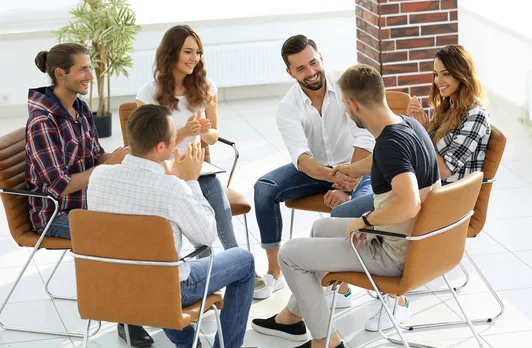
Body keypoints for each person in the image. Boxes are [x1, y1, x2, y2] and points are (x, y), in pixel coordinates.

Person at [251, 64, 440, 348]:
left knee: (290, 254)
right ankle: (295, 315)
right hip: (417, 243)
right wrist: (351, 169)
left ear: (352, 105)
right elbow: (383, 163)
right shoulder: (407, 125)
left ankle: (325, 343)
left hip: (394, 253)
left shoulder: (390, 146)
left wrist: (364, 222)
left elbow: (409, 203)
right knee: (320, 227)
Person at [329, 44, 491, 332]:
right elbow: (420, 156)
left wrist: (418, 132)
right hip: (423, 191)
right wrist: (421, 129)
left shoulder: (475, 116)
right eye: (435, 74)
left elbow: (441, 167)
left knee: (346, 215)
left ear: (462, 74)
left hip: (441, 204)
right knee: (350, 209)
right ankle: (342, 285)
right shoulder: (448, 106)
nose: (439, 80)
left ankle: (391, 296)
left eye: (445, 74)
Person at [87, 104, 255, 348]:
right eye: (174, 137)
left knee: (158, 269)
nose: (178, 139)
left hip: (113, 286)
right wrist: (190, 182)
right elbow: (206, 237)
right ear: (161, 147)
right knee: (244, 261)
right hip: (165, 292)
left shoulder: (98, 177)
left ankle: (188, 345)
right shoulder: (173, 189)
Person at [24, 43, 153, 347]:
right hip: (56, 214)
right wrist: (107, 167)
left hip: (89, 202)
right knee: (121, 236)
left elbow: (95, 155)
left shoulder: (79, 107)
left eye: (89, 68)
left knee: (149, 218)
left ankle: (154, 303)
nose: (90, 75)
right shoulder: (43, 122)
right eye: (83, 69)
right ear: (60, 73)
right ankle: (129, 319)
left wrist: (121, 158)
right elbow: (61, 185)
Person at [135, 25, 265, 290]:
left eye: (198, 52)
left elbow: (215, 136)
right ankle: (208, 275)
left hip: (196, 168)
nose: (194, 58)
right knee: (197, 211)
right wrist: (182, 132)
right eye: (188, 52)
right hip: (165, 171)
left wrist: (205, 132)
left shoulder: (205, 88)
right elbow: (145, 148)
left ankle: (237, 263)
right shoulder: (148, 93)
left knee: (216, 195)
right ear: (171, 53)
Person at [252, 35, 376, 300]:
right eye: (300, 69)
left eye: (313, 63)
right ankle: (275, 271)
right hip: (318, 170)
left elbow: (365, 136)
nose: (310, 72)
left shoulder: (347, 84)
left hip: (359, 165)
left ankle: (342, 284)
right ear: (290, 72)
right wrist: (336, 180)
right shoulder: (287, 107)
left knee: (354, 209)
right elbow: (301, 157)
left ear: (321, 58)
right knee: (264, 188)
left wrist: (349, 179)